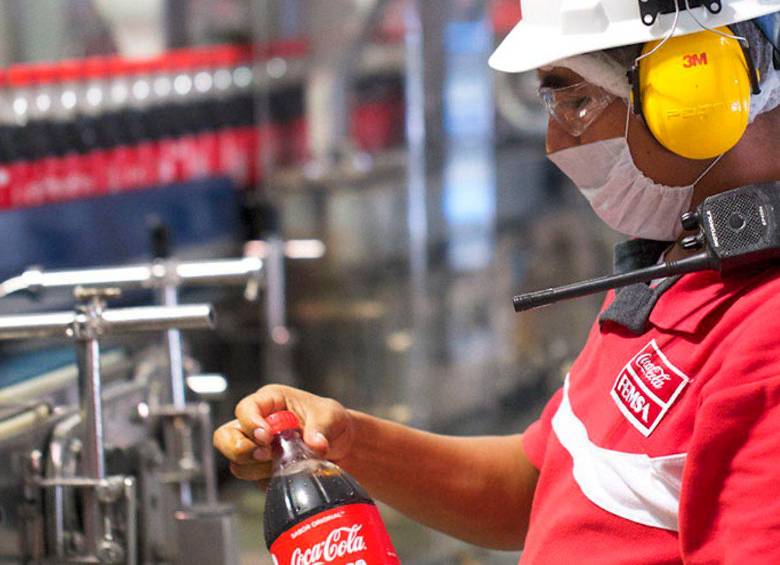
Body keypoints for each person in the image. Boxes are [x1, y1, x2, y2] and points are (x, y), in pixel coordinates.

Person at [214, 2, 780, 561]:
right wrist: (350, 443)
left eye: (576, 100)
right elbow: (537, 486)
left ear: (700, 89)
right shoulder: (675, 266)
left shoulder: (765, 337)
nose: (555, 144)